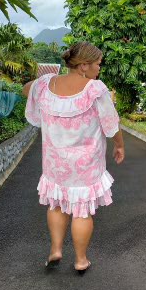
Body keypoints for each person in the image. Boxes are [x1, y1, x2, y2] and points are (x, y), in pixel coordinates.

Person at [22, 41, 125, 274]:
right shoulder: (95, 89)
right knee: (81, 211)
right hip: (86, 164)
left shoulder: (45, 85)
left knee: (56, 205)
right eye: (97, 64)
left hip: (55, 162)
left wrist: (41, 82)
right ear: (84, 65)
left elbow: (26, 89)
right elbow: (111, 124)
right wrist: (119, 145)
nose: (99, 69)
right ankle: (80, 260)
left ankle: (56, 249)